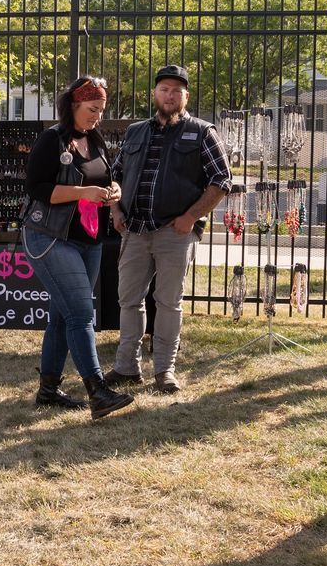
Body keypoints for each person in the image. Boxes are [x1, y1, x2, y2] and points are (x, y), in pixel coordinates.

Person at [104, 65, 231, 395]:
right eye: (164, 89)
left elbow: (222, 180)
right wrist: (116, 210)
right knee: (129, 301)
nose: (170, 95)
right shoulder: (134, 132)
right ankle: (126, 367)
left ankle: (165, 370)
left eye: (177, 90)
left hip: (174, 233)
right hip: (134, 230)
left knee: (168, 302)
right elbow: (113, 177)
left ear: (186, 96)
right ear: (154, 94)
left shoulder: (203, 132)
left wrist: (191, 216)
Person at [22, 76, 134, 419]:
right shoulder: (51, 140)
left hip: (89, 238)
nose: (97, 116)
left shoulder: (95, 140)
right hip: (49, 236)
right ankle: (97, 391)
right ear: (73, 105)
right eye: (91, 109)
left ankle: (49, 390)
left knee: (62, 314)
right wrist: (82, 193)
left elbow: (106, 176)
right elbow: (38, 188)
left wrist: (113, 191)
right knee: (82, 313)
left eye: (100, 110)